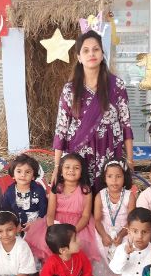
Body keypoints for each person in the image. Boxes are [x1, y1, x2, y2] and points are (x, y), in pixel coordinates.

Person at [52, 30, 134, 191]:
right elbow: (61, 129)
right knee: (81, 197)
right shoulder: (69, 90)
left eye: (96, 49)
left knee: (108, 196)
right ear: (79, 57)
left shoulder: (116, 86)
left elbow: (126, 124)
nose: (91, 54)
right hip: (79, 153)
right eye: (86, 50)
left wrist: (130, 160)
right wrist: (57, 166)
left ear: (102, 54)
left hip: (109, 151)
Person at [24, 153, 100, 264]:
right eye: (67, 167)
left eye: (76, 168)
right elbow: (50, 213)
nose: (71, 170)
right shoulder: (56, 188)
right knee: (47, 241)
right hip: (56, 223)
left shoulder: (85, 190)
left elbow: (85, 216)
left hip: (78, 225)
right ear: (61, 170)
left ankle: (73, 269)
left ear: (82, 171)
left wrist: (72, 232)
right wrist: (52, 230)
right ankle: (53, 267)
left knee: (79, 244)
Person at [93, 159, 137, 276]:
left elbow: (131, 221)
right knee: (98, 243)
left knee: (128, 245)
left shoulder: (129, 196)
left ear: (124, 178)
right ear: (104, 178)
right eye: (110, 176)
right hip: (104, 229)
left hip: (124, 229)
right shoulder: (100, 195)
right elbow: (97, 220)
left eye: (118, 176)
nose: (114, 180)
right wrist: (103, 235)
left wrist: (122, 235)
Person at [0, 153, 47, 231]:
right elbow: (5, 211)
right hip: (15, 226)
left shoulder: (39, 190)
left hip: (36, 225)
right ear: (13, 175)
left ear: (33, 176)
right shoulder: (9, 192)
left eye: (27, 172)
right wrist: (14, 225)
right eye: (19, 171)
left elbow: (44, 209)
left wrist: (35, 223)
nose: (23, 175)